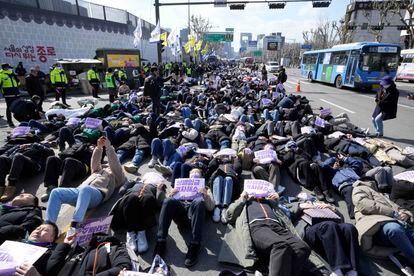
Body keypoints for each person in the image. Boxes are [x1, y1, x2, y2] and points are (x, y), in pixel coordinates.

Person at [45, 136, 126, 238]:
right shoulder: (98, 171)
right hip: (79, 193)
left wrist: (109, 147)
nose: (107, 166)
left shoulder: (118, 176)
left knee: (85, 189)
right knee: (56, 192)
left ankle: (75, 225)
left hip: (97, 195)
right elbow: (95, 161)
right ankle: (48, 225)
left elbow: (114, 163)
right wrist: (99, 147)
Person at [219, 191, 311, 276]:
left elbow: (288, 214)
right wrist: (241, 200)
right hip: (257, 226)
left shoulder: (269, 202)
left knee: (302, 248)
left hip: (277, 226)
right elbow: (229, 216)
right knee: (280, 245)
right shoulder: (244, 201)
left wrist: (276, 201)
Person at [153, 168, 215, 267]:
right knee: (168, 201)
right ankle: (161, 241)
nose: (195, 174)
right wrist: (170, 194)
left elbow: (211, 207)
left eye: (197, 172)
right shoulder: (180, 185)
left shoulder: (206, 188)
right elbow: (164, 204)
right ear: (189, 175)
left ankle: (195, 244)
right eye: (193, 172)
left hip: (195, 218)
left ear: (201, 177)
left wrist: (206, 196)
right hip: (181, 216)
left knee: (199, 202)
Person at [352, 178, 414, 269]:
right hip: (377, 226)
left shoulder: (381, 195)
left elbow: (398, 208)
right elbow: (363, 204)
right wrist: (393, 213)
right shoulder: (360, 188)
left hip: (400, 225)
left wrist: (406, 214)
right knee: (393, 229)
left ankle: (403, 258)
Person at [110, 172, 166, 253]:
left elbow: (159, 202)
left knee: (148, 198)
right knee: (132, 197)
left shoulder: (156, 187)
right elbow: (121, 191)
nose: (152, 178)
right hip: (127, 206)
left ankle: (141, 232)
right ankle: (130, 232)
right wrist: (130, 182)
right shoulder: (137, 182)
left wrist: (160, 189)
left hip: (144, 207)